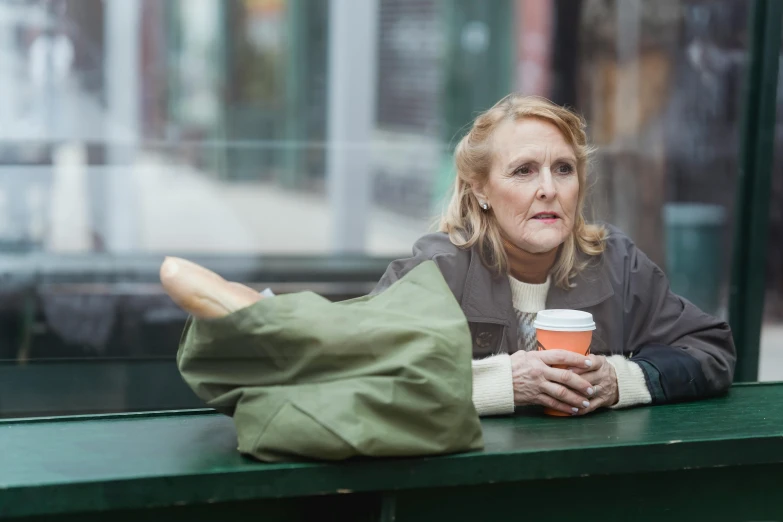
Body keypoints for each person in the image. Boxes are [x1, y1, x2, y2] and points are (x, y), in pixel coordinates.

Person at [372, 94, 736, 416]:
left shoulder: (615, 263)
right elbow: (365, 372)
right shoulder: (440, 269)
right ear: (479, 188)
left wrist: (621, 380)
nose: (549, 189)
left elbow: (711, 348)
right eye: (524, 171)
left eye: (563, 169)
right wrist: (500, 384)